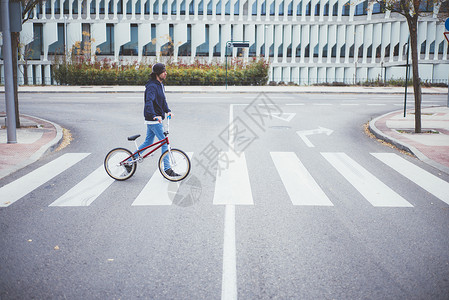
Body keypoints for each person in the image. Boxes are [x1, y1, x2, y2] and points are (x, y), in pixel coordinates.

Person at [138, 63, 178, 177]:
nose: (166, 73)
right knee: (165, 143)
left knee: (148, 142)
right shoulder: (152, 86)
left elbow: (162, 101)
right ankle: (167, 169)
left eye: (165, 71)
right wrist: (154, 115)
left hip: (156, 119)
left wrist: (168, 110)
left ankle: (131, 160)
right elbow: (149, 102)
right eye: (163, 71)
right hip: (154, 119)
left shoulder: (160, 84)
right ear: (157, 74)